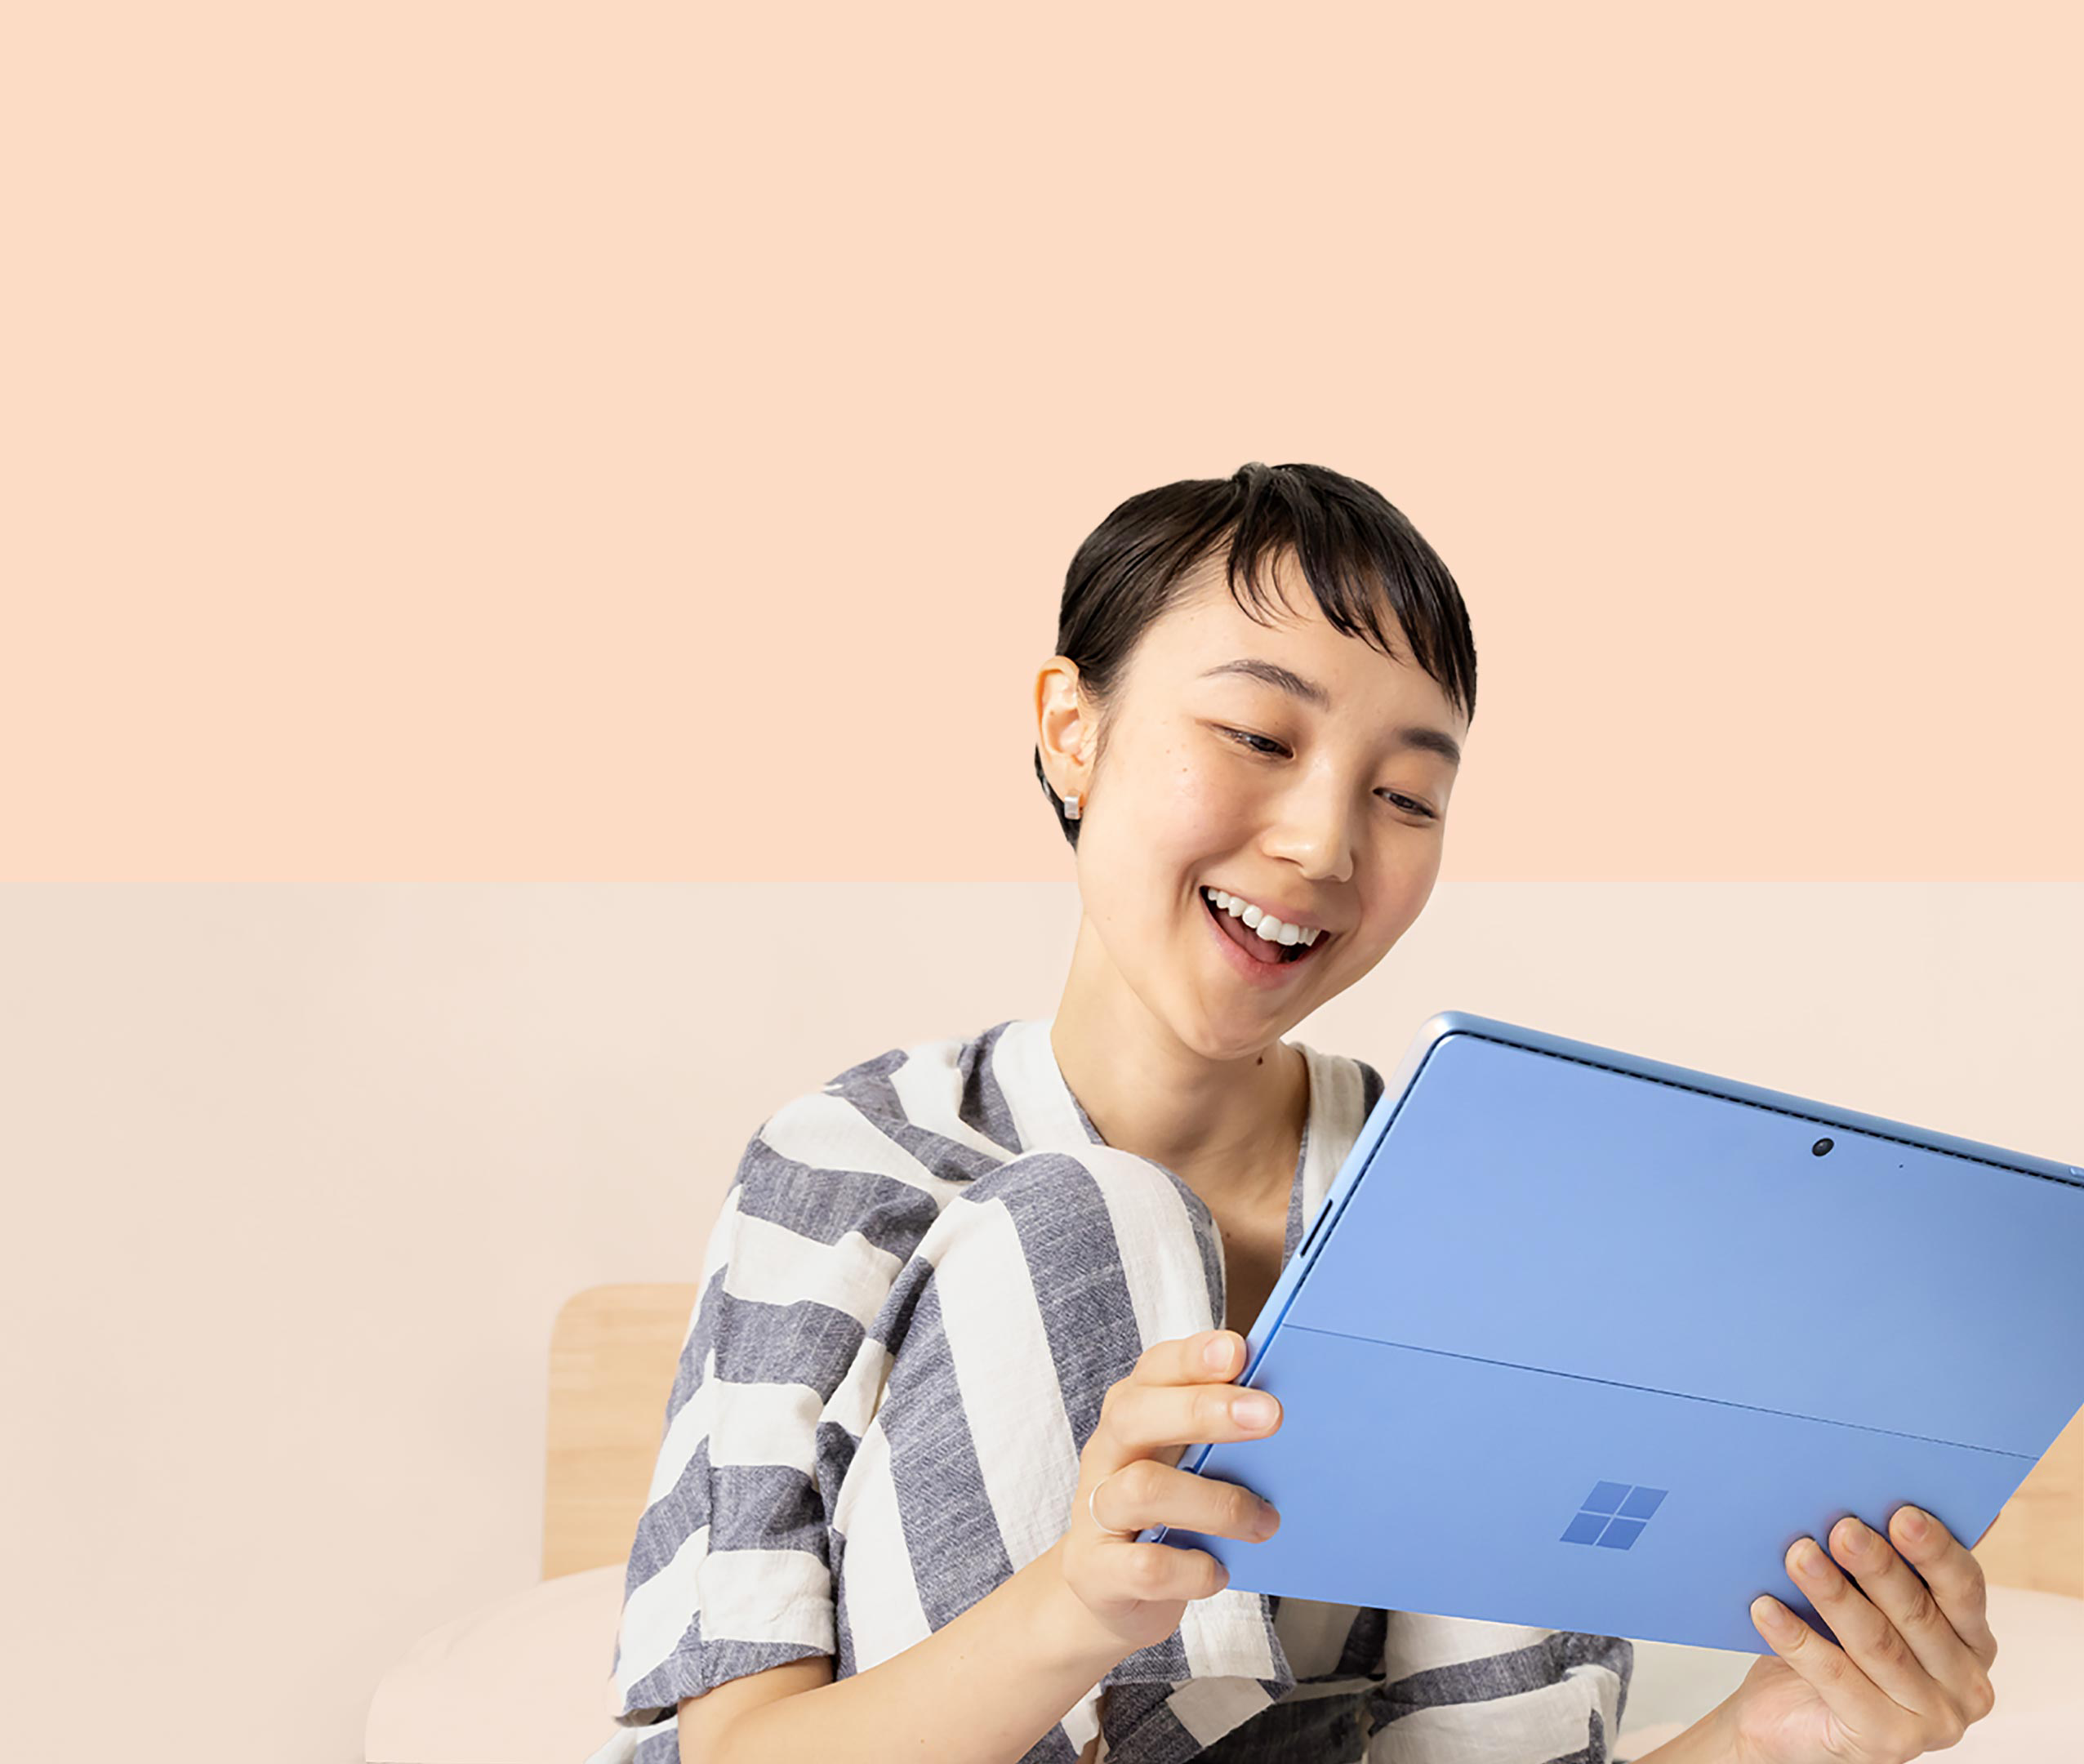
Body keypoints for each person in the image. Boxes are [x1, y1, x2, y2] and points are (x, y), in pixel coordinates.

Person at [594, 464, 2003, 1764]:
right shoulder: (855, 1165)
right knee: (1085, 1219)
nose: (1324, 844)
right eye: (1258, 733)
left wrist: (1777, 1734)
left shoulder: (1464, 1205)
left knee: (1493, 1254)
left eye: (1405, 795)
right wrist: (1081, 1605)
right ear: (1073, 734)